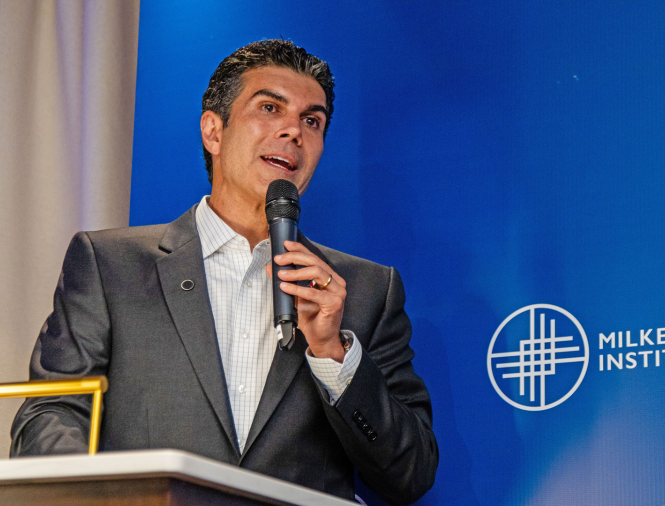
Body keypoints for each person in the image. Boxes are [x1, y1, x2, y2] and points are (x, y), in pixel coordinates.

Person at [11, 40, 438, 504]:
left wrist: (333, 355)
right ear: (213, 132)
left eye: (311, 121)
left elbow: (410, 473)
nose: (293, 131)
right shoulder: (109, 265)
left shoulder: (366, 290)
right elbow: (49, 417)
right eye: (270, 107)